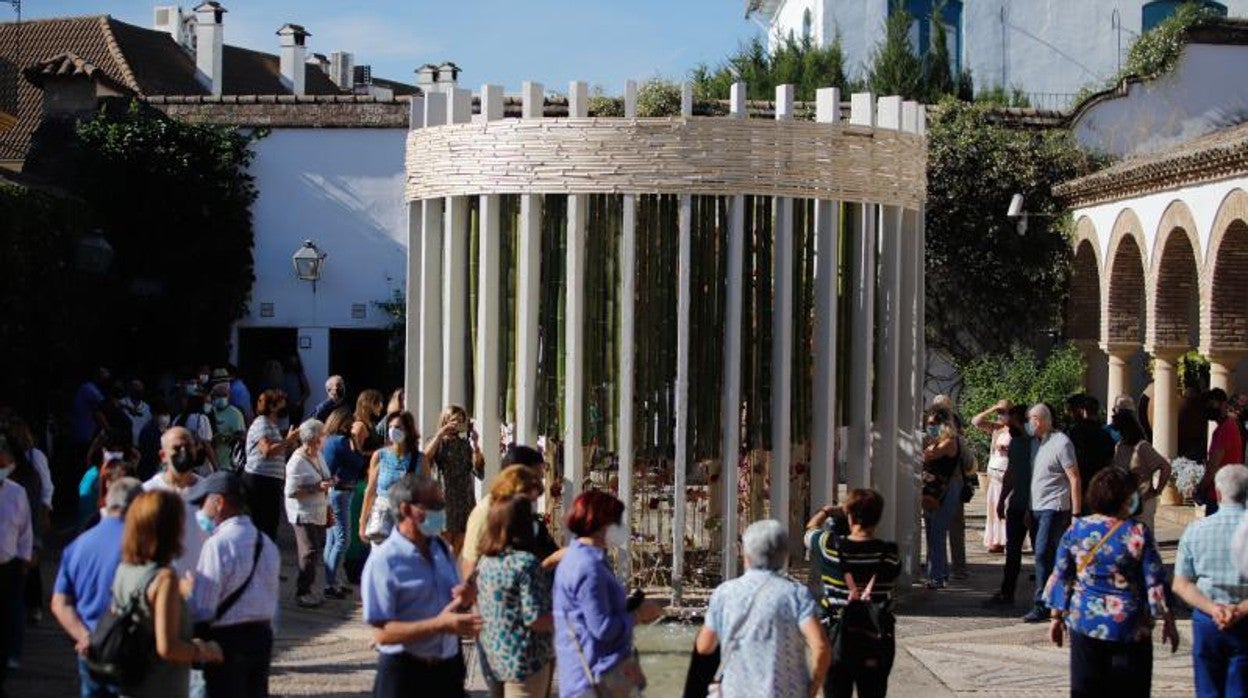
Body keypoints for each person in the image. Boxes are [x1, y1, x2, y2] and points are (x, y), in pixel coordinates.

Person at [1043, 467, 1179, 697]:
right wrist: (1168, 619)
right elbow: (1155, 579)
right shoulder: (1137, 532)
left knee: (1087, 688)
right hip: (1130, 625)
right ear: (1126, 498)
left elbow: (1061, 574)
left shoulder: (1077, 529)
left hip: (1085, 621)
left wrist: (1056, 617)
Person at [361, 474, 481, 697]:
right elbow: (381, 634)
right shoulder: (385, 561)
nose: (440, 512)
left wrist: (466, 597)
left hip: (447, 670)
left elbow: (452, 604)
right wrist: (439, 626)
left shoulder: (442, 549)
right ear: (406, 509)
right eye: (434, 506)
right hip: (406, 673)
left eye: (441, 505)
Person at [695, 519, 828, 698]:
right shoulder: (795, 594)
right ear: (784, 555)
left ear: (746, 556)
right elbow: (820, 645)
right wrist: (814, 685)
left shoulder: (725, 593)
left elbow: (704, 646)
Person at [113, 490, 224, 697]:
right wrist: (203, 650)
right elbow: (167, 647)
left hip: (131, 682)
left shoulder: (124, 570)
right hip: (160, 685)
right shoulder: (165, 579)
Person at [554, 490, 662, 697]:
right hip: (595, 679)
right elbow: (602, 628)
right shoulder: (589, 567)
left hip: (585, 674)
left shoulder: (577, 558)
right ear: (603, 524)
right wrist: (639, 615)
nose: (622, 528)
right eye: (618, 521)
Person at [187, 472, 281, 698]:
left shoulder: (218, 544)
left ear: (219, 503)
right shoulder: (266, 543)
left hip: (227, 641)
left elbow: (204, 606)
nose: (201, 510)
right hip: (262, 637)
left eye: (203, 502)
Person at [52, 477, 142, 698]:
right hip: (130, 651)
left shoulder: (78, 545)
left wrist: (84, 637)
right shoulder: (142, 544)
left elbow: (60, 602)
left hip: (90, 651)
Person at [805, 490, 899, 697]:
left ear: (850, 516)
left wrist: (827, 511)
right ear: (878, 517)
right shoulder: (890, 554)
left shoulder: (829, 547)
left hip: (838, 635)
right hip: (877, 637)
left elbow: (810, 530)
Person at [476, 495, 555, 697]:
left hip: (495, 658)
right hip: (526, 661)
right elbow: (535, 618)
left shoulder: (486, 562)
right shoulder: (525, 564)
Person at [1181, 464, 1248, 696]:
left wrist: (1214, 609)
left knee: (1208, 688)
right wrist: (1237, 610)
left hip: (1208, 619)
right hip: (1244, 618)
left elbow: (1181, 583)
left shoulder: (1195, 530)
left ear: (1218, 493)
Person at [1023, 403, 1082, 624]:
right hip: (1037, 507)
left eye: (1030, 419)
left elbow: (1074, 478)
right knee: (1047, 556)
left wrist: (1075, 514)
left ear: (1038, 420)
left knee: (1042, 554)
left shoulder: (1062, 443)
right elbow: (1036, 479)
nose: (1028, 424)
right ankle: (1055, 600)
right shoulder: (1036, 444)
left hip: (1055, 507)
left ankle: (1042, 604)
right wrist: (1029, 508)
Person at [461, 451, 558, 581]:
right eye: (536, 477)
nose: (539, 484)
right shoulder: (486, 511)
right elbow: (470, 563)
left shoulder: (527, 513)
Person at [142, 427, 208, 578]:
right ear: (163, 455)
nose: (183, 451)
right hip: (160, 583)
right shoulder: (147, 492)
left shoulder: (209, 492)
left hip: (201, 584)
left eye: (188, 447)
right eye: (177, 448)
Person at [988, 405, 1034, 606]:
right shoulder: (1016, 443)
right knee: (1012, 552)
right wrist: (1001, 500)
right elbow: (1010, 474)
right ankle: (1007, 593)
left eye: (1014, 421)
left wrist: (1031, 506)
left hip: (1034, 507)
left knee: (1040, 553)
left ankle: (1043, 600)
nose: (1010, 424)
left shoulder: (1036, 445)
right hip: (1016, 504)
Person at [285, 419, 333, 608]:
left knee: (314, 551)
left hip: (319, 509)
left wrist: (329, 482)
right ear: (314, 438)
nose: (325, 438)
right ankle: (302, 591)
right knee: (309, 551)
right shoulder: (296, 461)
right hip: (302, 512)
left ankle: (308, 589)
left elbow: (324, 476)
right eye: (323, 435)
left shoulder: (318, 456)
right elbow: (291, 491)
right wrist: (316, 487)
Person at [424, 405, 484, 554]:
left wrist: (476, 445)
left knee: (461, 543)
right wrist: (441, 434)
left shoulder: (465, 444)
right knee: (443, 542)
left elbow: (479, 470)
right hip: (444, 497)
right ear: (445, 421)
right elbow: (425, 458)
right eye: (454, 421)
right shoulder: (436, 441)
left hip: (464, 498)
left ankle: (454, 573)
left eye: (461, 421)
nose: (457, 424)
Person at [359, 412, 424, 545]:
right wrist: (363, 522)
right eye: (390, 427)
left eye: (398, 427)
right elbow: (370, 491)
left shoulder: (419, 459)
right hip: (382, 516)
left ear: (408, 430)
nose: (393, 431)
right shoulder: (380, 455)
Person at [0, 436, 33, 696]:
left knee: (6, 617)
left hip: (8, 566)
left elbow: (24, 529)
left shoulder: (16, 492)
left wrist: (24, 557)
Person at [243, 389, 298, 542]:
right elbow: (266, 450)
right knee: (265, 524)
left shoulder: (271, 425)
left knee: (270, 523)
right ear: (272, 406)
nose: (285, 405)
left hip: (269, 481)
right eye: (281, 402)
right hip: (261, 480)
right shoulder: (262, 423)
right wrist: (288, 441)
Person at [322, 408, 365, 599]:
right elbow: (358, 462)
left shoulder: (328, 441)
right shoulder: (340, 442)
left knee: (332, 540)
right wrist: (355, 441)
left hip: (332, 492)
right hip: (341, 492)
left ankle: (333, 580)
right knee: (342, 539)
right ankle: (331, 584)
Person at [1110, 406, 1171, 531]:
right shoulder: (1119, 447)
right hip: (1125, 502)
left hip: (1143, 502)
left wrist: (1158, 490)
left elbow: (1165, 467)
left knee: (1144, 539)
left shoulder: (1142, 447)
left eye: (1120, 429)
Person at [921, 406, 961, 589]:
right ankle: (940, 572)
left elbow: (927, 457)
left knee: (937, 533)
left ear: (944, 424)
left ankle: (936, 577)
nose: (930, 427)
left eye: (933, 424)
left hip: (945, 492)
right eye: (928, 424)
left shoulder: (948, 442)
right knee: (931, 532)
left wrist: (927, 446)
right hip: (932, 491)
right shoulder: (937, 441)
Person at [971, 400, 1012, 553]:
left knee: (1007, 507)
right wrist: (994, 407)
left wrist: (1007, 447)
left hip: (1008, 473)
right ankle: (997, 540)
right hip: (994, 474)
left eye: (1004, 412)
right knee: (994, 508)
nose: (1001, 415)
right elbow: (976, 421)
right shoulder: (997, 428)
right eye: (999, 413)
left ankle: (1009, 540)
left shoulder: (1017, 430)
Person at [1198, 388, 1245, 516]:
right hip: (1224, 495)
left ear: (1223, 404)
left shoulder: (1225, 429)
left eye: (1212, 404)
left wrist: (1200, 488)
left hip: (1219, 497)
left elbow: (1213, 466)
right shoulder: (1225, 427)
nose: (1208, 408)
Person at [1066, 394, 1115, 509]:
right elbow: (1110, 458)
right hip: (1099, 485)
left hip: (1080, 485)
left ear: (1082, 411)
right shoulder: (1105, 434)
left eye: (1072, 410)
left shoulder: (1075, 433)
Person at [206, 383, 245, 473]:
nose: (221, 398)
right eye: (218, 395)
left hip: (229, 463)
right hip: (211, 463)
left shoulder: (235, 414)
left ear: (229, 396)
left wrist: (225, 438)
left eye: (223, 395)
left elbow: (241, 437)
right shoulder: (210, 412)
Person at [137, 399, 172, 482]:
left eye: (166, 414)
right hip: (151, 472)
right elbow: (149, 454)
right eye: (162, 414)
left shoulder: (168, 429)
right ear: (154, 414)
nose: (165, 417)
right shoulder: (148, 431)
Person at [351, 389, 385, 459]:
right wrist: (381, 452)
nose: (381, 406)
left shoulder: (371, 424)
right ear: (367, 404)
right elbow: (356, 454)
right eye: (377, 402)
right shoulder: (359, 426)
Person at [120, 380, 152, 447]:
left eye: (140, 387)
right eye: (136, 386)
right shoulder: (121, 403)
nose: (138, 389)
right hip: (123, 445)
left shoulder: (147, 408)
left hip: (141, 445)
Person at [282, 357, 310, 426]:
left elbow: (307, 391)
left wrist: (299, 402)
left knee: (296, 426)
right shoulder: (284, 376)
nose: (292, 364)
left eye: (294, 362)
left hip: (298, 407)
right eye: (291, 361)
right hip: (287, 407)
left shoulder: (300, 375)